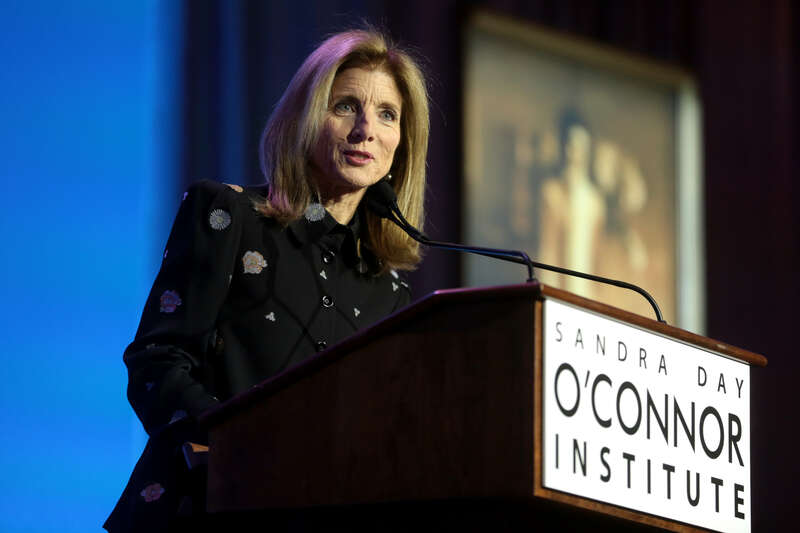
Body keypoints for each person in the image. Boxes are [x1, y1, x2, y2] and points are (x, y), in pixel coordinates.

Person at [104, 28, 430, 532]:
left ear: (402, 144)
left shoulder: (390, 296)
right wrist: (242, 445)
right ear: (305, 119)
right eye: (345, 106)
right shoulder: (228, 217)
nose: (366, 129)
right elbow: (157, 363)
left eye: (387, 114)